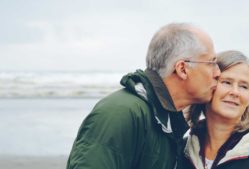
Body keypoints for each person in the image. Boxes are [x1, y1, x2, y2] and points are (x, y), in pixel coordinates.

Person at [67, 23, 220, 169]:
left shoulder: (166, 122)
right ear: (182, 69)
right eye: (211, 62)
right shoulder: (121, 113)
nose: (217, 73)